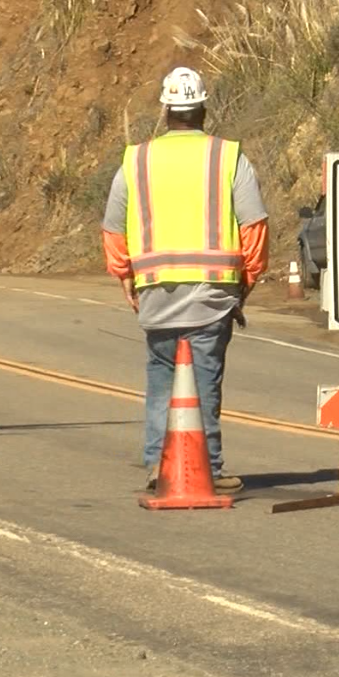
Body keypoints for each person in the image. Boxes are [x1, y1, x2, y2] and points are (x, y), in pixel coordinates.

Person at [101, 66, 269, 493]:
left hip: (155, 291)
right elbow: (254, 227)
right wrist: (246, 279)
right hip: (212, 293)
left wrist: (125, 276)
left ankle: (160, 464)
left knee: (161, 378)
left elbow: (113, 228)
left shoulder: (136, 160)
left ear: (165, 110)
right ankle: (206, 466)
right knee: (203, 379)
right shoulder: (228, 157)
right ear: (203, 108)